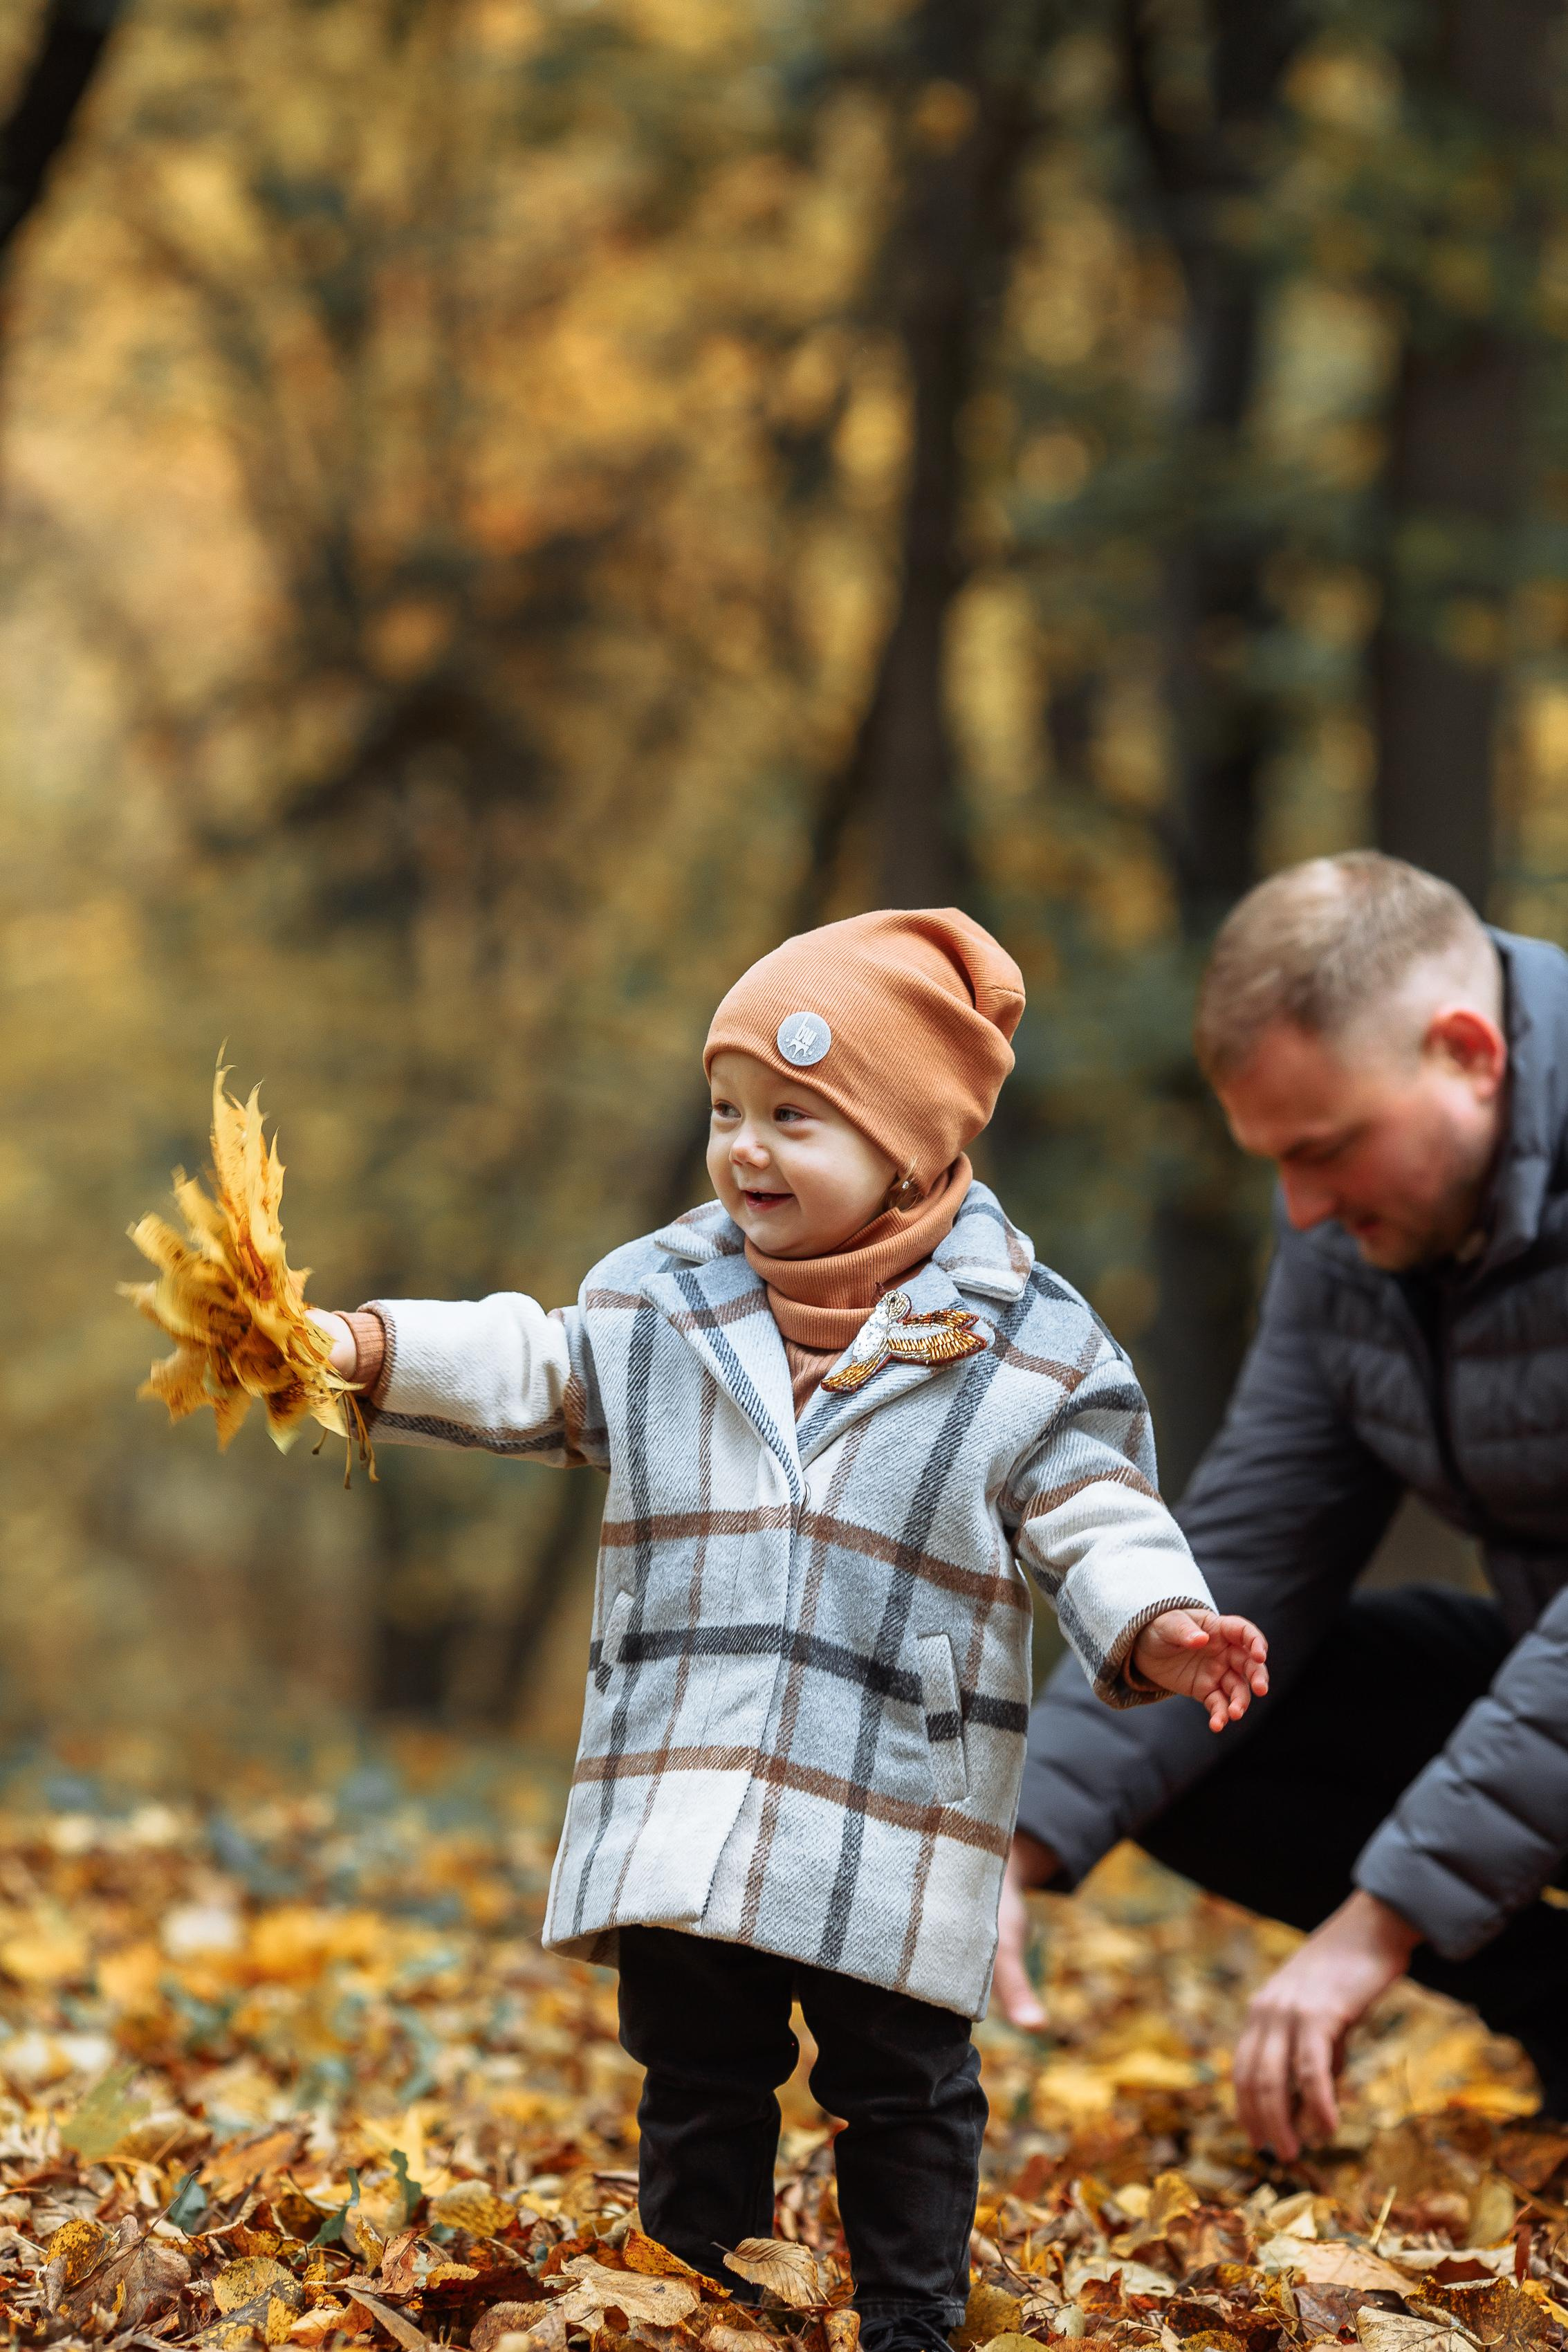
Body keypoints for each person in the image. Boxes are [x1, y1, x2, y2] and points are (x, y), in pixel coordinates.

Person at [311, 908, 1268, 2352]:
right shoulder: (662, 1296)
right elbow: (541, 1363)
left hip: (890, 1779)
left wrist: (1159, 1620)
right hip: (691, 1771)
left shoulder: (1028, 1343)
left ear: (911, 1147)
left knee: (902, 2079)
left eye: (796, 1120)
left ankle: (908, 2315)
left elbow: (1094, 1507)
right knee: (697, 2061)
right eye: (727, 1110)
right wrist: (373, 1349)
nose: (746, 1149)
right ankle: (695, 2286)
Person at [995, 851, 1568, 2158]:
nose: (1302, 1210)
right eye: (1275, 1167)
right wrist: (1013, 1850)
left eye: (1325, 1152)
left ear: (1468, 1053)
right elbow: (1257, 1541)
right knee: (1208, 1691)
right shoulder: (1353, 1231)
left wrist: (1382, 1919)